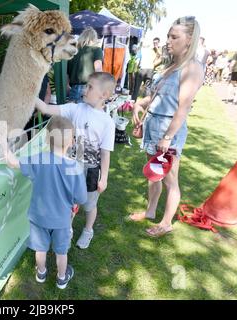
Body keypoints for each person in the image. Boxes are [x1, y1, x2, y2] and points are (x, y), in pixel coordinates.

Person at [129, 16, 205, 237]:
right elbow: (154, 96)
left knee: (171, 179)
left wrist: (168, 137)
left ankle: (166, 223)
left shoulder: (192, 68)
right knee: (153, 174)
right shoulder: (170, 65)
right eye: (168, 36)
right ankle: (151, 211)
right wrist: (137, 104)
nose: (168, 41)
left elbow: (182, 108)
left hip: (168, 129)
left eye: (174, 37)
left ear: (189, 39)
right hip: (153, 125)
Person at [0, 116, 87, 289]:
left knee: (40, 249)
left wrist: (3, 142)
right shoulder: (75, 167)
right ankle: (62, 278)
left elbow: (12, 162)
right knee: (61, 252)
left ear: (47, 139)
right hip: (62, 220)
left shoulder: (38, 159)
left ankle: (41, 273)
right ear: (71, 142)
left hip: (38, 216)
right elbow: (82, 198)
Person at [35, 72, 116, 249]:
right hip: (71, 167)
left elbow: (105, 153)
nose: (84, 89)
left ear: (104, 95)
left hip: (91, 171)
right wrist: (29, 94)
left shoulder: (107, 122)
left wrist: (104, 178)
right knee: (69, 201)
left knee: (89, 204)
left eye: (90, 87)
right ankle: (67, 228)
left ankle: (88, 230)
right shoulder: (75, 108)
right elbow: (46, 109)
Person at [67, 27, 103, 103]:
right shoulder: (96, 50)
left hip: (73, 88)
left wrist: (67, 86)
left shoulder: (74, 51)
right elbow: (98, 70)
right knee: (84, 114)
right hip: (88, 89)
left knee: (72, 114)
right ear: (93, 38)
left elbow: (67, 72)